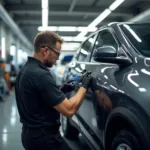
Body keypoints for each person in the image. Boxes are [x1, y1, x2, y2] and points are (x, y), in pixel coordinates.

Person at [15, 30, 92, 150]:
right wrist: (84, 87)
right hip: (45, 141)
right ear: (46, 50)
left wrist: (64, 88)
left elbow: (40, 98)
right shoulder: (41, 75)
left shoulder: (26, 70)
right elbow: (69, 110)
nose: (57, 58)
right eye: (57, 54)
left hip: (30, 136)